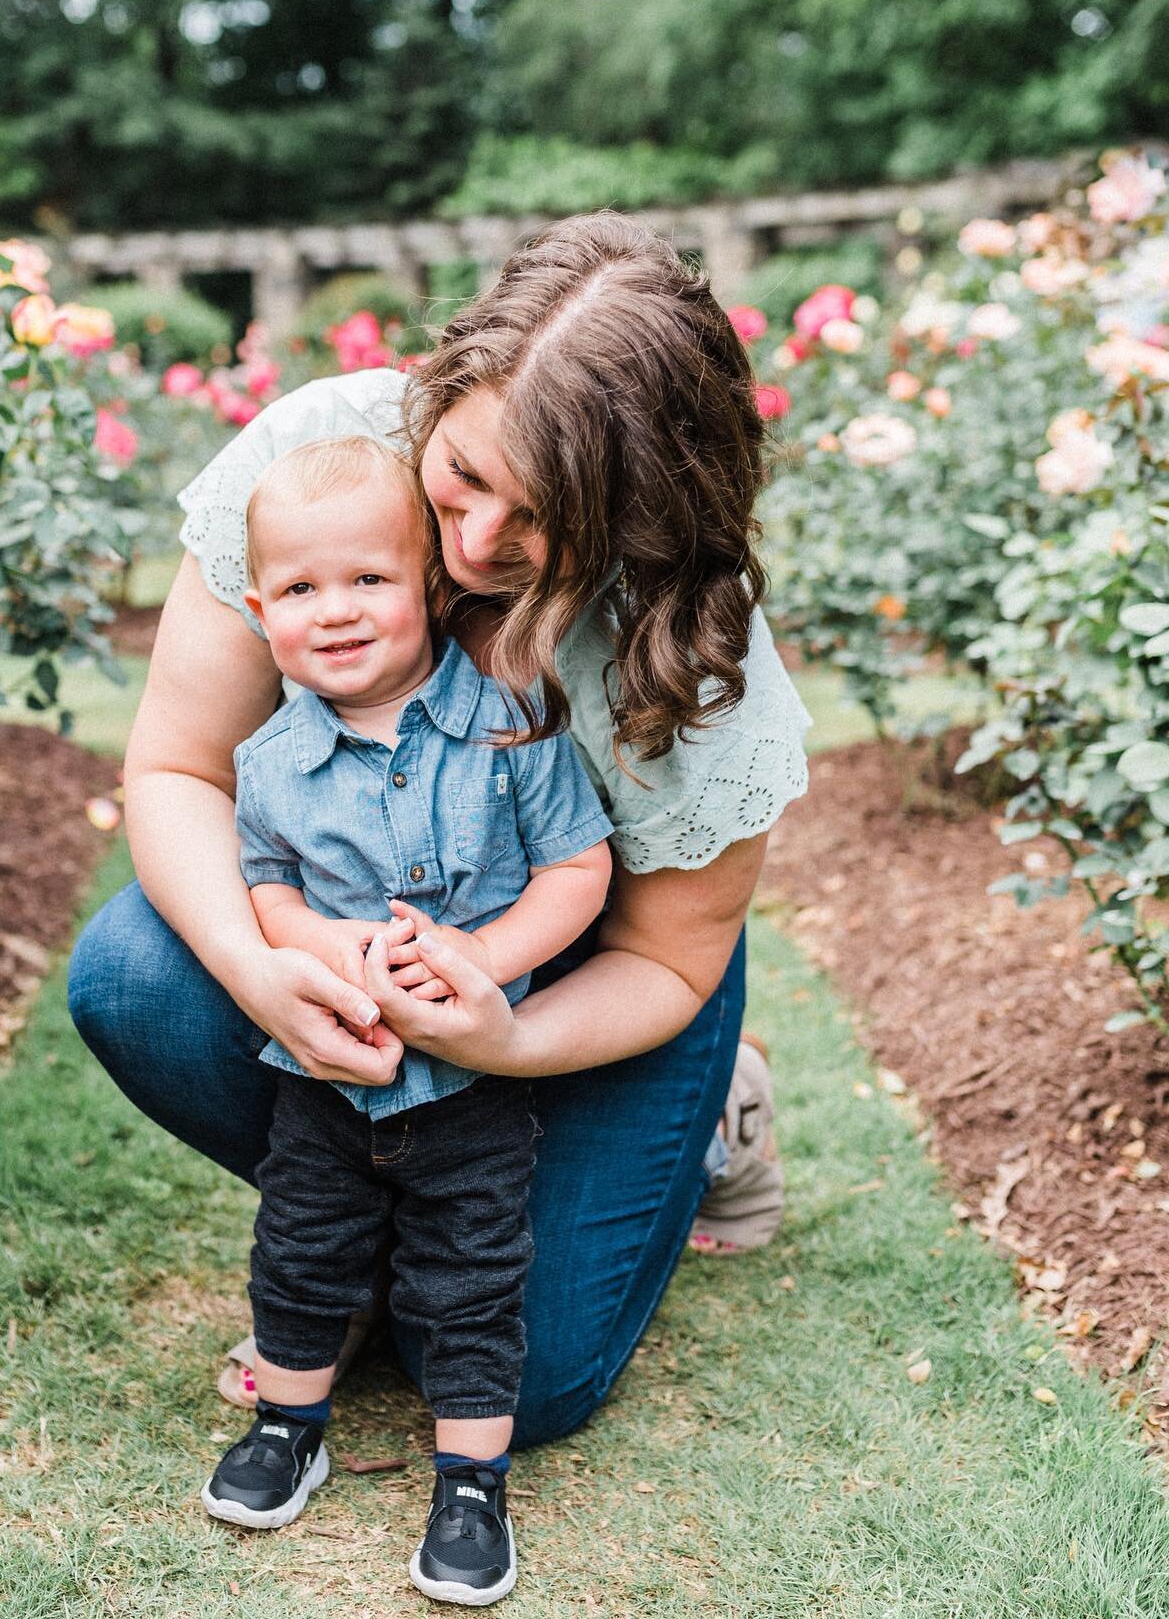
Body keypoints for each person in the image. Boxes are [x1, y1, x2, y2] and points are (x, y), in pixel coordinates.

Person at [68, 210, 812, 1468]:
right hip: (357, 930)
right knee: (135, 976)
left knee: (525, 1382)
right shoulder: (324, 462)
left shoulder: (700, 653)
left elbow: (668, 960)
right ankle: (356, 1235)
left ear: (645, 516)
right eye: (463, 478)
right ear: (447, 380)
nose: (469, 550)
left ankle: (713, 1113)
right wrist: (267, 974)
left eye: (541, 525)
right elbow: (179, 770)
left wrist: (507, 1034)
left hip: (594, 969)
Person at [200, 436, 613, 1605]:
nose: (335, 612)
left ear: (430, 585)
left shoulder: (511, 719)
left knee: (475, 1277)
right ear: (258, 608)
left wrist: (487, 960)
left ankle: (471, 1485)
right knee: (299, 1250)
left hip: (474, 1085)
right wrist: (311, 945)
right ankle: (291, 1426)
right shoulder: (271, 760)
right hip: (326, 1077)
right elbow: (266, 882)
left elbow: (576, 871)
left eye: (369, 580)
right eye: (299, 590)